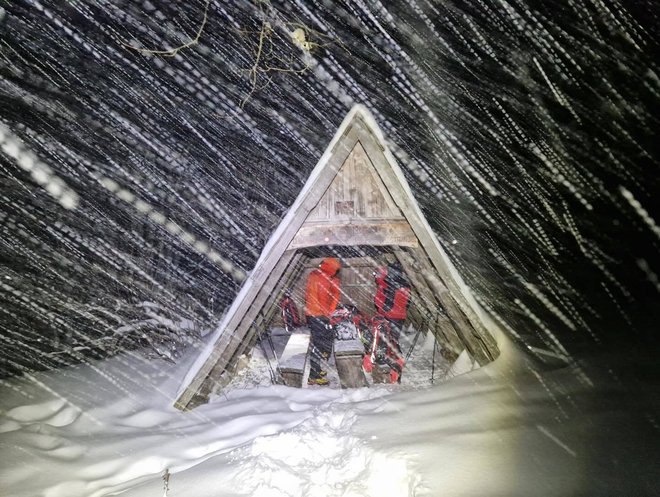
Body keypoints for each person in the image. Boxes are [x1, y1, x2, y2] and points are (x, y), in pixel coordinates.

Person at [304, 257, 341, 385]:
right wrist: (329, 314)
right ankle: (313, 376)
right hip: (319, 315)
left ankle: (317, 369)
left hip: (311, 313)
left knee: (317, 343)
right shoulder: (324, 279)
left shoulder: (314, 274)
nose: (336, 272)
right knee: (317, 345)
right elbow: (323, 299)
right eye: (336, 269)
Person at [372, 261, 410, 382]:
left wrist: (381, 308)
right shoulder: (405, 284)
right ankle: (394, 365)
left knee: (386, 341)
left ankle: (392, 365)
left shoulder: (390, 284)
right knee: (393, 340)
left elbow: (386, 304)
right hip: (400, 316)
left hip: (389, 316)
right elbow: (408, 302)